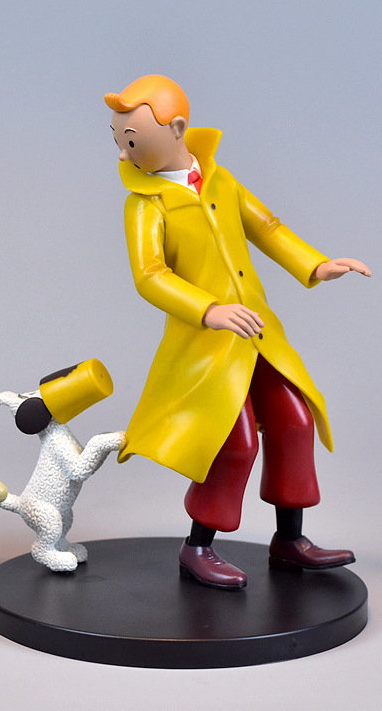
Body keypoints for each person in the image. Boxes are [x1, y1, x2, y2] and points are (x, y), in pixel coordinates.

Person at [105, 74, 370, 589]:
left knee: (295, 421)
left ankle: (290, 540)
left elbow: (268, 227)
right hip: (206, 347)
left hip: (257, 334)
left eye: (131, 141)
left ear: (177, 129)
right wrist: (208, 310)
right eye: (118, 140)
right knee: (234, 441)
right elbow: (150, 276)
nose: (122, 153)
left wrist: (317, 265)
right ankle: (197, 546)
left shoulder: (221, 182)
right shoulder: (145, 203)